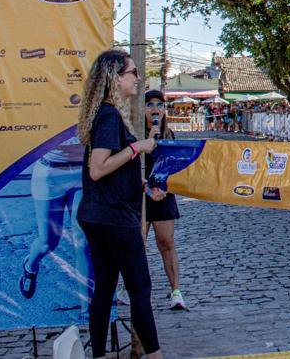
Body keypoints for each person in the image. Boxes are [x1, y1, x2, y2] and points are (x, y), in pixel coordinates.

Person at [76, 50, 165, 359]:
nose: (138, 79)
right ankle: (155, 355)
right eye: (132, 73)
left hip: (98, 213)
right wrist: (137, 147)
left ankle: (98, 355)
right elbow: (98, 168)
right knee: (140, 289)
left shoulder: (106, 114)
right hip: (112, 217)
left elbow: (108, 172)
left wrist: (139, 185)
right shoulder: (109, 115)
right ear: (115, 77)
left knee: (104, 289)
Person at [19, 130, 89, 306]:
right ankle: (30, 266)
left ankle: (87, 307)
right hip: (50, 172)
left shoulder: (91, 103)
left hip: (83, 173)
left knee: (83, 242)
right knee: (48, 241)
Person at [143, 90, 186, 310]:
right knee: (137, 244)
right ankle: (131, 288)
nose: (155, 109)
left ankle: (176, 291)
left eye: (159, 104)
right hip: (139, 194)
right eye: (149, 104)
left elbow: (174, 167)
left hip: (162, 194)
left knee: (166, 242)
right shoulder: (134, 133)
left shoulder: (169, 134)